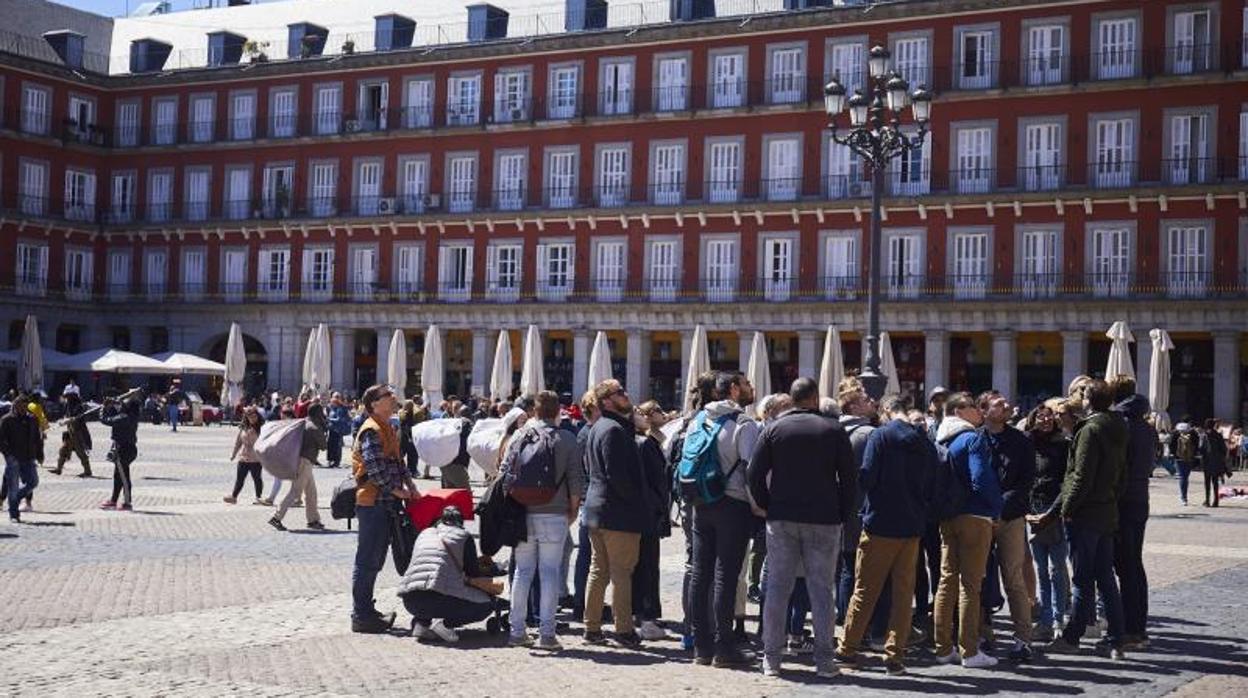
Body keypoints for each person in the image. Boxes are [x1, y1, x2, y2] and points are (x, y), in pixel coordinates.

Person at [748, 377, 855, 678]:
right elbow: (849, 479)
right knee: (821, 590)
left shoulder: (773, 429)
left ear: (793, 399)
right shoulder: (834, 430)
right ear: (815, 398)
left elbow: (754, 474)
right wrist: (843, 513)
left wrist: (767, 504)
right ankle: (824, 661)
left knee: (778, 589)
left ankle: (771, 658)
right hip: (824, 518)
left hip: (782, 516)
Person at [836, 394, 936, 676]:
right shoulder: (924, 442)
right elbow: (932, 484)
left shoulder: (881, 436)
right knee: (904, 594)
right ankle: (895, 654)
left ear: (887, 410)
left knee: (865, 589)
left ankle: (848, 648)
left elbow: (866, 476)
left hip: (880, 522)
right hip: (912, 526)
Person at [1045, 379, 1128, 660]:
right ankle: (1116, 639)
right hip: (1107, 510)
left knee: (1081, 579)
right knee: (1105, 577)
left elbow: (1080, 476)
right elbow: (1122, 474)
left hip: (1085, 513)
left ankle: (1072, 637)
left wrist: (1066, 509)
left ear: (1088, 400)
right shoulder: (1118, 425)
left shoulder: (1090, 429)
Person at [688, 371, 759, 667]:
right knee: (725, 577)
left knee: (699, 573)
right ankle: (724, 648)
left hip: (701, 502)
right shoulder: (743, 423)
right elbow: (752, 470)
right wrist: (758, 507)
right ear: (732, 390)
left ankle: (701, 647)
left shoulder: (698, 419)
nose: (749, 388)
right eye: (744, 384)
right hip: (732, 503)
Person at [503, 390, 582, 650]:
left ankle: (517, 631)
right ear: (558, 411)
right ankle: (546, 634)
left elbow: (504, 473)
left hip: (521, 512)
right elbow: (575, 480)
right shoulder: (567, 439)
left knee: (522, 572)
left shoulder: (520, 434)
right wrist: (572, 512)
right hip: (555, 513)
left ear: (534, 411)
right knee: (549, 573)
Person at [933, 391, 1002, 669]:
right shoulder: (971, 438)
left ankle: (942, 647)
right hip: (974, 516)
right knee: (970, 585)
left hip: (947, 517)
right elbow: (980, 479)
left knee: (946, 580)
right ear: (959, 411)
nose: (978, 411)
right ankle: (970, 650)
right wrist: (995, 508)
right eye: (973, 406)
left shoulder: (939, 438)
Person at [582, 379, 651, 648]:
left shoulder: (599, 427)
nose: (626, 394)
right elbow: (617, 475)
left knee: (599, 571)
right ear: (607, 401)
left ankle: (592, 627)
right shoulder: (613, 430)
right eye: (620, 392)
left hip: (598, 509)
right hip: (616, 513)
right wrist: (635, 502)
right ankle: (623, 629)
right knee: (621, 572)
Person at [352, 384, 419, 633]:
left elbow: (399, 463)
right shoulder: (371, 429)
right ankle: (361, 615)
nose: (393, 398)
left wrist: (411, 487)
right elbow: (375, 468)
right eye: (387, 396)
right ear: (374, 404)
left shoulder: (388, 427)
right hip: (372, 503)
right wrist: (397, 490)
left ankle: (366, 610)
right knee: (368, 560)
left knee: (376, 559)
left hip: (385, 502)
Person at [978, 390, 1036, 661]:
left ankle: (1023, 639)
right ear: (984, 410)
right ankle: (983, 633)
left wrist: (1001, 508)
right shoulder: (975, 438)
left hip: (1011, 518)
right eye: (998, 404)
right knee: (979, 577)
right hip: (979, 517)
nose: (1006, 406)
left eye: (1005, 403)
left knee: (1014, 578)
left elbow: (1026, 481)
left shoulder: (1020, 440)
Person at [398, 506, 498, 643]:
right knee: (486, 604)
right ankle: (445, 625)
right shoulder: (463, 536)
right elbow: (472, 572)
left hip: (410, 601)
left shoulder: (424, 533)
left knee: (430, 583)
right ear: (461, 522)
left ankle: (421, 624)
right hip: (438, 599)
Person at [1109, 375, 1157, 650]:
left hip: (1122, 501)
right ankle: (1139, 626)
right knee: (1134, 564)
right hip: (1140, 498)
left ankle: (1131, 629)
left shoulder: (1121, 424)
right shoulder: (1145, 425)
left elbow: (1117, 466)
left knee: (1125, 565)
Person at [835, 379, 884, 641]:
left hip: (841, 507)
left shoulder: (835, 431)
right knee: (865, 573)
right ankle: (863, 629)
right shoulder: (869, 435)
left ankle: (847, 623)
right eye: (866, 400)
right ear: (853, 406)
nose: (872, 403)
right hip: (863, 508)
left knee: (846, 568)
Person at [1023, 403, 1070, 644]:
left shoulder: (1062, 444)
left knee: (1057, 569)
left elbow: (1067, 481)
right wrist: (1026, 512)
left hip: (1055, 512)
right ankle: (1045, 620)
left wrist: (1053, 512)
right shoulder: (1026, 443)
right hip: (1032, 512)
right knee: (1040, 569)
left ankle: (1058, 619)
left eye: (1049, 417)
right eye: (1040, 416)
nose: (1045, 420)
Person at [632, 400, 671, 642]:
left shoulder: (632, 442)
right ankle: (646, 616)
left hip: (636, 512)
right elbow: (659, 481)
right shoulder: (646, 444)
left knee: (638, 566)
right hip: (648, 513)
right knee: (647, 565)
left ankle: (640, 613)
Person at [269, 403, 328, 531]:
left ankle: (313, 520)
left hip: (300, 460)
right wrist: (324, 429)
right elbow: (324, 446)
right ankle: (276, 517)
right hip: (305, 462)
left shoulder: (303, 423)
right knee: (295, 492)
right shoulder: (314, 428)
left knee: (311, 492)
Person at [1, 396, 42, 524]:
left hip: (29, 457)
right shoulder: (7, 420)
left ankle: (16, 498)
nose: (23, 409)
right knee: (12, 487)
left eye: (25, 406)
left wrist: (40, 454)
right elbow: (1, 440)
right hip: (13, 458)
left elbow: (37, 438)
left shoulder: (32, 419)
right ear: (15, 405)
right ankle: (14, 514)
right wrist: (8, 455)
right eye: (21, 406)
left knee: (33, 482)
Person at [99, 396, 141, 511]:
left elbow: (106, 420)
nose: (121, 405)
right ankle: (113, 500)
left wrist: (103, 407)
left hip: (123, 450)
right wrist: (112, 404)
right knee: (118, 476)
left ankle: (127, 502)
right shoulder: (131, 416)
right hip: (127, 448)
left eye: (124, 404)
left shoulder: (124, 417)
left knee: (123, 477)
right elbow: (115, 413)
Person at [224, 406, 265, 504]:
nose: (252, 419)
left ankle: (258, 497)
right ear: (246, 417)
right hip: (243, 457)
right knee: (240, 479)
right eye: (250, 417)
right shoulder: (243, 428)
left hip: (256, 458)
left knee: (257, 479)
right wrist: (233, 454)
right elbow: (238, 442)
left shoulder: (262, 428)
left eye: (254, 416)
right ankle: (234, 497)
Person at [54, 392, 93, 477]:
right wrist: (64, 420)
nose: (66, 399)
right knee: (63, 450)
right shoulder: (68, 406)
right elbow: (68, 416)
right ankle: (58, 469)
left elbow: (78, 418)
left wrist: (71, 419)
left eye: (67, 398)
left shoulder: (78, 407)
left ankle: (88, 471)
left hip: (78, 433)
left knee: (81, 453)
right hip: (70, 432)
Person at [1200, 419, 1228, 508]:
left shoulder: (1204, 435)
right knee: (1215, 482)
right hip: (1216, 462)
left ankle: (1207, 500)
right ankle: (1216, 501)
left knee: (1207, 482)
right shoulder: (1218, 435)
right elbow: (1224, 449)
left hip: (1207, 462)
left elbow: (1200, 448)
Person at [1173, 420, 1199, 505]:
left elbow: (1171, 444)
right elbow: (1197, 444)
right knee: (1185, 477)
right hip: (1189, 458)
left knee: (1182, 477)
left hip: (1178, 458)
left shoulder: (1176, 432)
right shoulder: (1192, 432)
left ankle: (1183, 497)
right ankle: (1184, 497)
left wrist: (1174, 454)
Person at [325, 392, 351, 468]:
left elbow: (339, 420)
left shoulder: (340, 409)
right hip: (332, 429)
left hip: (337, 430)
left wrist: (329, 419)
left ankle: (336, 461)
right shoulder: (331, 408)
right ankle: (330, 460)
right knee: (330, 445)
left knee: (336, 446)